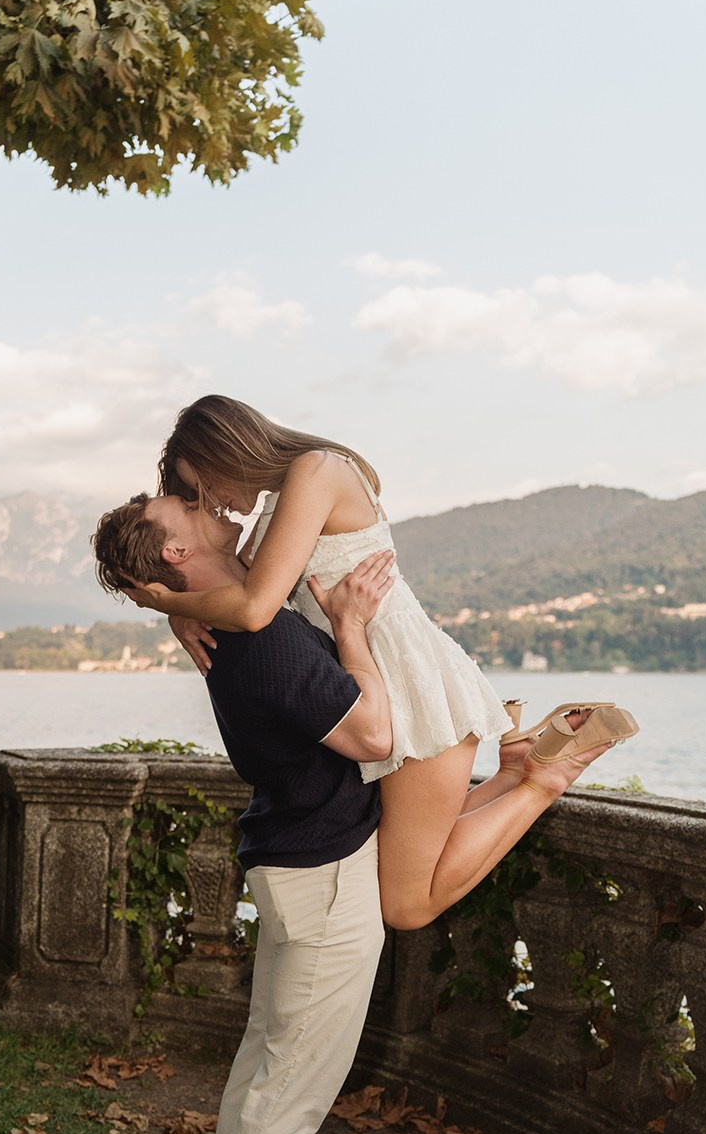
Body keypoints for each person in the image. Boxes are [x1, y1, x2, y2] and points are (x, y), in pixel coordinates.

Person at [92, 488, 616, 1134]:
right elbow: (374, 739)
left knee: (264, 1076)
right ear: (177, 555)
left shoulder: (233, 620)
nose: (200, 503)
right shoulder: (255, 636)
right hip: (323, 882)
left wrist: (504, 781)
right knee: (286, 1096)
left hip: (303, 864)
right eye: (179, 505)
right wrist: (353, 631)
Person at [123, 395, 639, 931]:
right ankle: (520, 767)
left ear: (226, 450)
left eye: (199, 485)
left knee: (405, 905)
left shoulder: (316, 471)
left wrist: (166, 603)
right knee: (410, 853)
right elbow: (230, 592)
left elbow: (253, 609)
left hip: (410, 686)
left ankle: (543, 781)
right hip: (375, 686)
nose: (211, 503)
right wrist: (178, 615)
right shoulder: (274, 517)